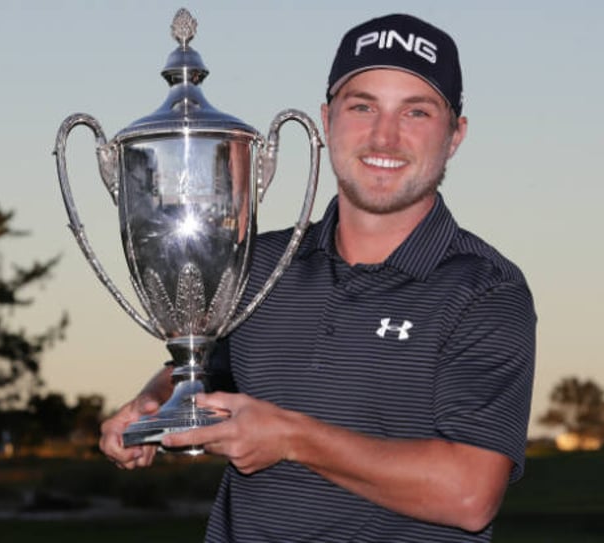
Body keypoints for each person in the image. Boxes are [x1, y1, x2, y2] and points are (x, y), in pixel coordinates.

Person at [100, 13, 536, 542]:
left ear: (455, 134)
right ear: (327, 119)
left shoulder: (486, 290)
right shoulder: (257, 262)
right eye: (362, 106)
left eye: (416, 112)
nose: (384, 136)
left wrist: (290, 437)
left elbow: (469, 494)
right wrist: (152, 404)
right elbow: (208, 368)